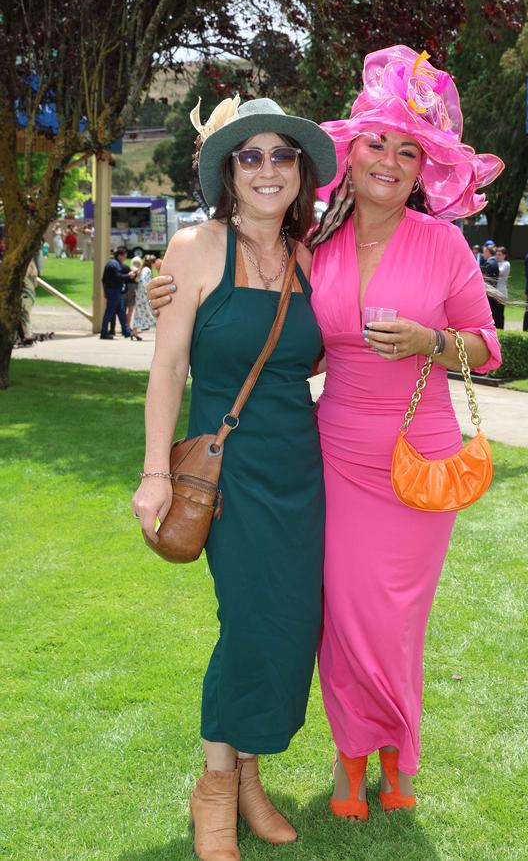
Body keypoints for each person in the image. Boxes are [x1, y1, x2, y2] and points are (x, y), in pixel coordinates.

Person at [150, 46, 502, 821]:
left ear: (421, 172)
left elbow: (484, 344)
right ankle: (302, 769)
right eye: (378, 142)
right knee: (308, 615)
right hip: (317, 453)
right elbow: (212, 344)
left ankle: (372, 755)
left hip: (400, 453)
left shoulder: (394, 248)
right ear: (350, 153)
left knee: (360, 615)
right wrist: (164, 291)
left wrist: (431, 344)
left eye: (409, 150)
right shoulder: (306, 248)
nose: (389, 159)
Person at [132, 96, 338, 861]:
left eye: (281, 155)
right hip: (228, 474)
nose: (266, 169)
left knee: (289, 629)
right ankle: (216, 788)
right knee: (249, 622)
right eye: (249, 156)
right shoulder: (193, 248)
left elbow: (316, 355)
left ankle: (249, 774)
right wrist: (156, 472)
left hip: (300, 468)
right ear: (227, 171)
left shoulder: (312, 258)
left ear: (300, 171)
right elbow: (167, 367)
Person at [100, 248, 134, 339]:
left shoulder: (112, 263)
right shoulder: (114, 265)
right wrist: (129, 275)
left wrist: (105, 291)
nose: (125, 258)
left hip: (114, 291)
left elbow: (103, 280)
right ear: (119, 255)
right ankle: (104, 333)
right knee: (109, 311)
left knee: (121, 311)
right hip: (114, 291)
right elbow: (118, 277)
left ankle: (126, 332)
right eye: (124, 256)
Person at [131, 254, 157, 339]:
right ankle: (158, 329)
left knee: (138, 313)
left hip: (140, 294)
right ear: (152, 263)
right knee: (151, 312)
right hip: (144, 295)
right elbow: (144, 282)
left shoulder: (143, 269)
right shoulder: (147, 270)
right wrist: (148, 293)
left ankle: (134, 331)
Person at [482, 243, 503, 328]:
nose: (483, 254)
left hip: (489, 293)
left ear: (487, 252)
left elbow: (485, 280)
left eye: (484, 252)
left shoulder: (489, 263)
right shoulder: (494, 262)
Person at [125, 255, 140, 330]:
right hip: (133, 290)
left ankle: (126, 326)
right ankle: (127, 326)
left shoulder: (129, 269)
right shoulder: (137, 271)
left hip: (126, 290)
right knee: (130, 310)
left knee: (126, 310)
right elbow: (137, 280)